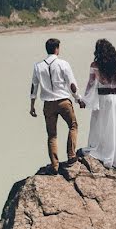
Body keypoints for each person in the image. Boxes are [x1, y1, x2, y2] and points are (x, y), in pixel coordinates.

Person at [30, 38, 85, 174]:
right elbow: (72, 85)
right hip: (63, 102)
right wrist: (79, 99)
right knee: (73, 126)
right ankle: (71, 156)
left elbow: (34, 87)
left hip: (48, 104)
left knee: (52, 135)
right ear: (57, 49)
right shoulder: (63, 64)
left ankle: (54, 166)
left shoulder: (38, 66)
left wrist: (32, 105)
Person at [81, 38, 116, 169]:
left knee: (99, 124)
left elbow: (91, 83)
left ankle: (101, 150)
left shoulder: (95, 65)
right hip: (114, 98)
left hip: (101, 98)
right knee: (115, 126)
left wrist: (84, 98)